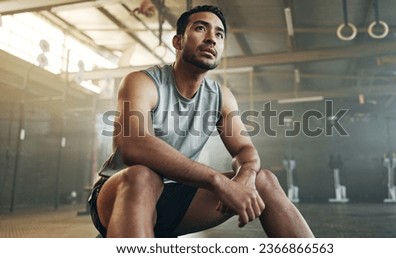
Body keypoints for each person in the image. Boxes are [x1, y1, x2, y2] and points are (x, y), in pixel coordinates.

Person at [88, 4, 314, 238]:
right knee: (143, 176)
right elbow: (134, 145)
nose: (211, 39)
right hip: (120, 193)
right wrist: (217, 180)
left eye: (219, 34)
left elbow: (245, 150)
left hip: (176, 197)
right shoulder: (142, 82)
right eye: (200, 28)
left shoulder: (221, 96)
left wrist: (244, 177)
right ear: (177, 42)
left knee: (264, 179)